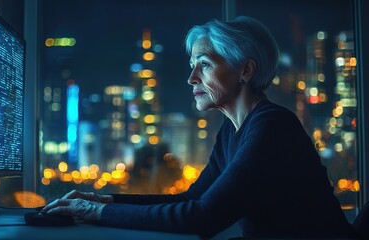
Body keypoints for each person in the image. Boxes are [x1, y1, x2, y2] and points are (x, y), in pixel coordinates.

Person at [42, 16, 357, 239]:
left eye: (204, 64)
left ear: (245, 70)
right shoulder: (233, 131)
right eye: (193, 65)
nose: (191, 78)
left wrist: (94, 212)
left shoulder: (272, 126)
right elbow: (191, 199)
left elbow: (202, 217)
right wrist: (104, 201)